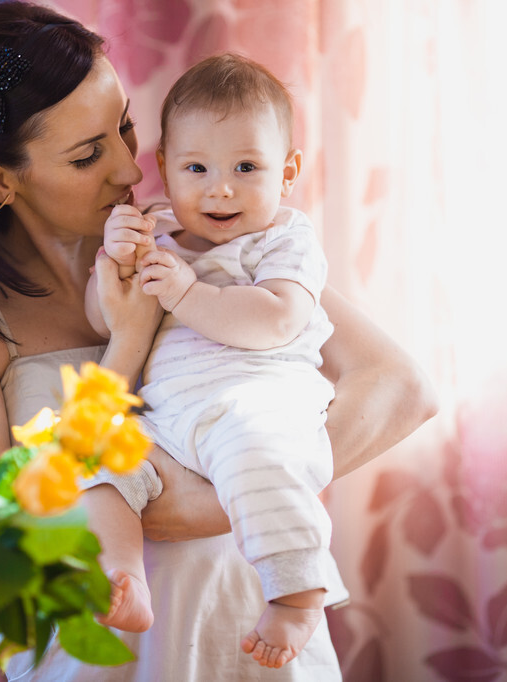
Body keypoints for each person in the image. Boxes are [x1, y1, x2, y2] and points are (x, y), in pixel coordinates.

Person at [0, 1, 438, 680]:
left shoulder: (193, 242)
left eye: (123, 128)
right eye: (88, 154)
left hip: (251, 642)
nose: (127, 168)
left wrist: (224, 495)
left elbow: (401, 389)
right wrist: (129, 340)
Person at [82, 52, 341, 671]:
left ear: (287, 172)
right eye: (196, 166)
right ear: (164, 169)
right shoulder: (157, 230)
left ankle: (298, 596)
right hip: (171, 420)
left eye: (246, 167)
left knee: (258, 458)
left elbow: (276, 317)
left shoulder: (285, 238)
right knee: (96, 456)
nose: (219, 188)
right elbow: (102, 319)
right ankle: (122, 574)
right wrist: (114, 264)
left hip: (259, 399)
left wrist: (188, 295)